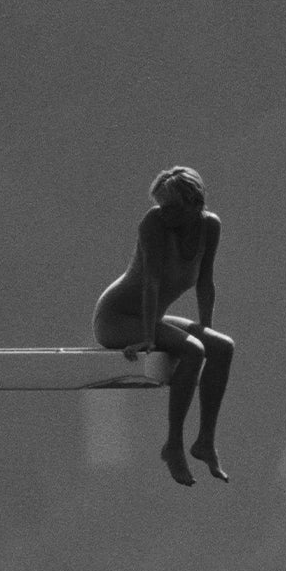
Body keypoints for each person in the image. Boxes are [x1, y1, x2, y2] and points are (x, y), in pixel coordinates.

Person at [93, 165, 234, 487]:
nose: (163, 212)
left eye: (171, 207)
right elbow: (150, 285)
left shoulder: (209, 227)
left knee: (221, 347)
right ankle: (173, 446)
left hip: (150, 318)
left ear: (194, 203)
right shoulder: (154, 224)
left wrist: (206, 327)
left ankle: (205, 442)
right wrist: (146, 338)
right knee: (192, 350)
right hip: (117, 318)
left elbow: (205, 282)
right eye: (160, 205)